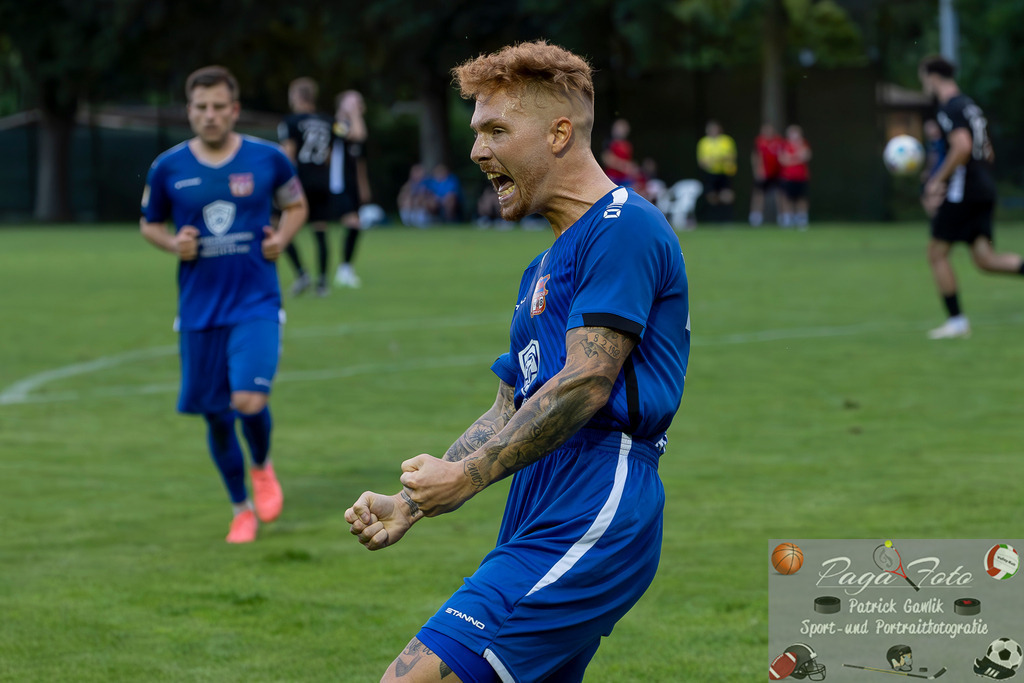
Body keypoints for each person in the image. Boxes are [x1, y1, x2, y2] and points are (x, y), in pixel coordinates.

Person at [345, 40, 690, 683]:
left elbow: (586, 383)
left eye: (495, 130)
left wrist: (468, 478)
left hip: (596, 497)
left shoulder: (624, 227)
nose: (477, 150)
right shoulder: (545, 264)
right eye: (476, 131)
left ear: (560, 133)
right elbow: (512, 405)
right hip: (540, 498)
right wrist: (411, 503)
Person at [140, 66, 308, 543]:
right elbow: (149, 224)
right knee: (216, 414)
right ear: (189, 111)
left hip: (255, 300)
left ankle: (261, 465)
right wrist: (175, 245)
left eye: (218, 107)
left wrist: (282, 236)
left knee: (249, 400)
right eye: (200, 107)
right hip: (198, 310)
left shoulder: (268, 160)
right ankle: (240, 509)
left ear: (234, 110)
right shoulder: (168, 167)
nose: (209, 115)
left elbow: (295, 206)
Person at [918, 55, 1024, 339]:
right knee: (985, 259)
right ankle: (956, 322)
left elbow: (962, 147)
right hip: (983, 185)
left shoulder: (950, 107)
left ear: (933, 76)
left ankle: (956, 322)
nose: (924, 85)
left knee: (936, 253)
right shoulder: (970, 105)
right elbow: (986, 150)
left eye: (923, 78)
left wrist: (936, 181)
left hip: (964, 189)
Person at [278, 77, 335, 297]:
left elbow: (288, 154)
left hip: (298, 181)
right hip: (321, 179)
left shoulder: (291, 121)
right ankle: (322, 283)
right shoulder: (327, 121)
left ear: (296, 96)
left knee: (280, 226)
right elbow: (328, 155)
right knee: (320, 230)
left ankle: (302, 274)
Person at [331, 89, 370, 288]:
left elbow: (359, 160)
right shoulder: (337, 124)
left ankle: (346, 268)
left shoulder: (354, 122)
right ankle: (344, 269)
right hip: (338, 184)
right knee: (353, 224)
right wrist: (353, 113)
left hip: (353, 185)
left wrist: (364, 186)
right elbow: (359, 134)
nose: (357, 105)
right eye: (352, 101)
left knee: (356, 225)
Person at [696, 119, 737, 222]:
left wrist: (715, 160)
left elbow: (730, 157)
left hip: (724, 173)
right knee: (711, 197)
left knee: (727, 196)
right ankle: (714, 219)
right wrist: (715, 161)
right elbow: (702, 161)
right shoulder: (703, 143)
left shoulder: (726, 141)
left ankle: (727, 219)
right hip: (710, 174)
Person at [749, 122, 784, 226]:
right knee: (758, 195)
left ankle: (783, 218)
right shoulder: (759, 141)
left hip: (777, 173)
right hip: (764, 173)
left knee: (780, 195)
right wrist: (757, 170)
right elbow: (755, 156)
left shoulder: (779, 141)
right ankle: (755, 218)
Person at [778, 124, 812, 229]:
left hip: (801, 177)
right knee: (786, 198)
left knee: (802, 198)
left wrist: (791, 158)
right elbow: (783, 160)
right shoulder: (784, 145)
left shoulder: (804, 144)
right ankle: (788, 219)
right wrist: (797, 157)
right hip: (788, 177)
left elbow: (806, 156)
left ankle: (802, 219)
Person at [601, 117, 640, 187]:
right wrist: (624, 166)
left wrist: (632, 168)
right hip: (612, 178)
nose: (621, 131)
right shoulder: (609, 142)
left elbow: (630, 162)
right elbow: (606, 159)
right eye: (619, 128)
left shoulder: (628, 145)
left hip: (625, 179)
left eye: (623, 128)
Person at [398, 163, 433, 228]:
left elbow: (431, 196)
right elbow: (402, 195)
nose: (416, 175)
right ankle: (407, 222)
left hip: (424, 204)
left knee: (419, 200)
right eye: (415, 172)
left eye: (418, 172)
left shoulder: (428, 183)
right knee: (406, 201)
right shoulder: (409, 184)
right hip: (412, 204)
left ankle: (421, 221)